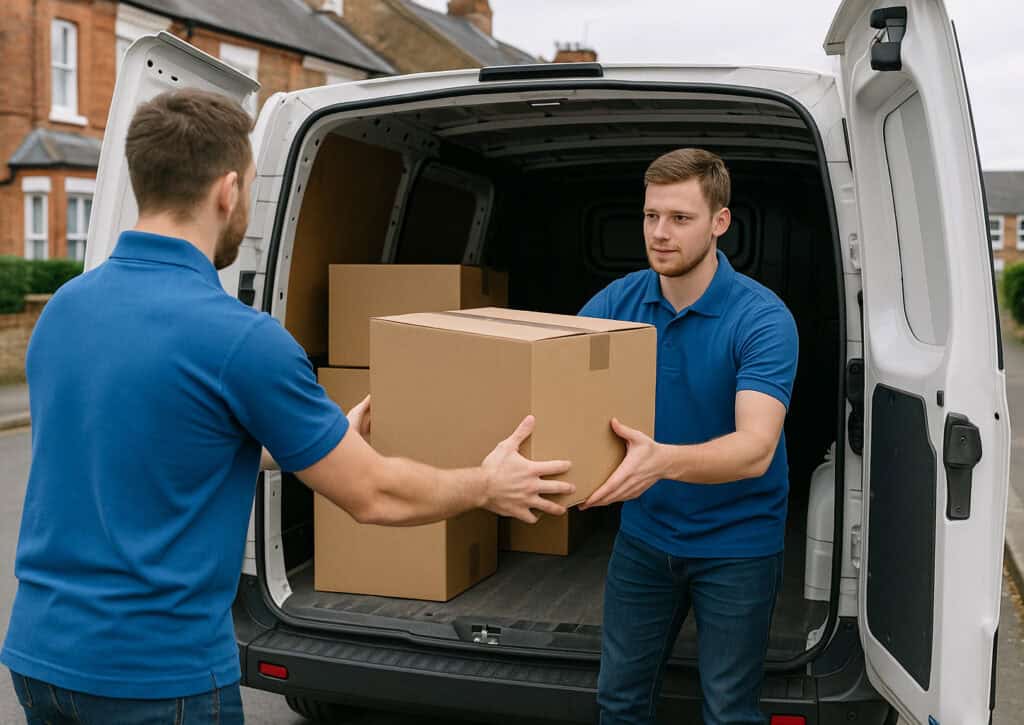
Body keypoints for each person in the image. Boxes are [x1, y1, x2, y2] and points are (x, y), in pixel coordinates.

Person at [1, 89, 572, 725]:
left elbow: (151, 444)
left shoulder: (63, 310)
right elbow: (374, 495)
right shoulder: (240, 339)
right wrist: (486, 485)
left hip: (41, 658)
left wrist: (313, 446)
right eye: (247, 185)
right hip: (154, 677)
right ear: (226, 191)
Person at [578, 148, 799, 725]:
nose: (660, 233)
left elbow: (755, 449)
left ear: (719, 222)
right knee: (619, 700)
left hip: (738, 546)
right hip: (645, 539)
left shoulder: (761, 319)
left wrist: (657, 463)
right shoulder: (617, 303)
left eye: (680, 218)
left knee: (728, 710)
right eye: (652, 216)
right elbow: (555, 385)